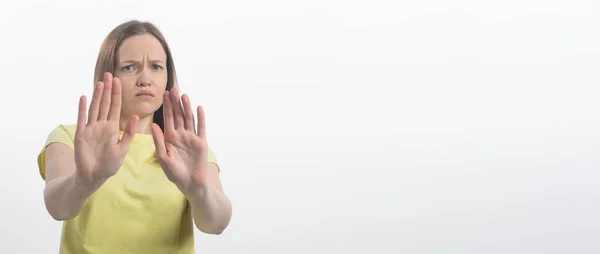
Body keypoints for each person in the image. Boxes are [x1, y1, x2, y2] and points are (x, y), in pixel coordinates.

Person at [36, 20, 232, 254]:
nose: (145, 79)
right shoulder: (71, 138)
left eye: (157, 67)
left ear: (167, 77)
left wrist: (196, 189)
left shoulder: (186, 149)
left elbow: (216, 224)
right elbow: (58, 208)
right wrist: (86, 179)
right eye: (129, 67)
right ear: (108, 74)